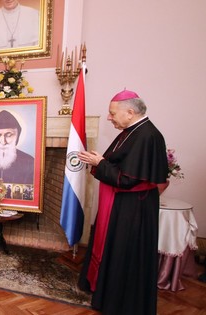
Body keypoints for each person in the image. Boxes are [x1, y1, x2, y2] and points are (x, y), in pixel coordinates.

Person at [77, 89, 168, 315]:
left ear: (130, 112)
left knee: (123, 253)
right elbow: (118, 164)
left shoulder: (147, 135)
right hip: (120, 203)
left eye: (112, 113)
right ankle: (104, 291)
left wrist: (100, 162)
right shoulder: (131, 131)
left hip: (132, 208)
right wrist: (100, 161)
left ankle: (119, 302)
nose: (109, 118)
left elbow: (127, 179)